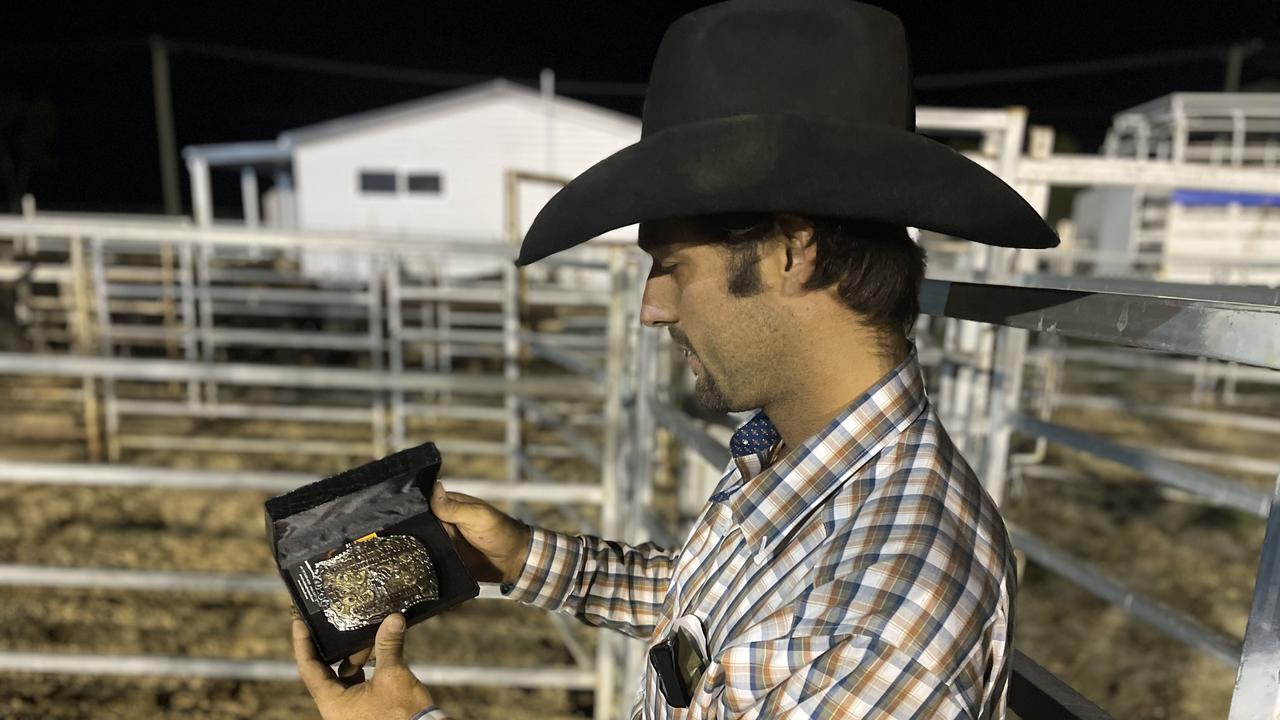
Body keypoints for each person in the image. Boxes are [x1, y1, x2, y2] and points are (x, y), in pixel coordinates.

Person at [291, 0, 1059, 717]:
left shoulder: (888, 616)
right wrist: (527, 558)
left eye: (672, 265)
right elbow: (726, 610)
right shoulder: (801, 457)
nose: (652, 307)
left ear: (791, 251)